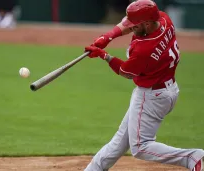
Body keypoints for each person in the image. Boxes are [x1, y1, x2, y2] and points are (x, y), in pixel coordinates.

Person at [84, 0, 204, 171]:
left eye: (136, 25)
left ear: (147, 23)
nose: (131, 27)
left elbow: (126, 72)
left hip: (151, 97)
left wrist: (105, 56)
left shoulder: (144, 49)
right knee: (120, 142)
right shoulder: (163, 20)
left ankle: (191, 157)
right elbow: (128, 21)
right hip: (167, 89)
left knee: (141, 147)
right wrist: (108, 36)